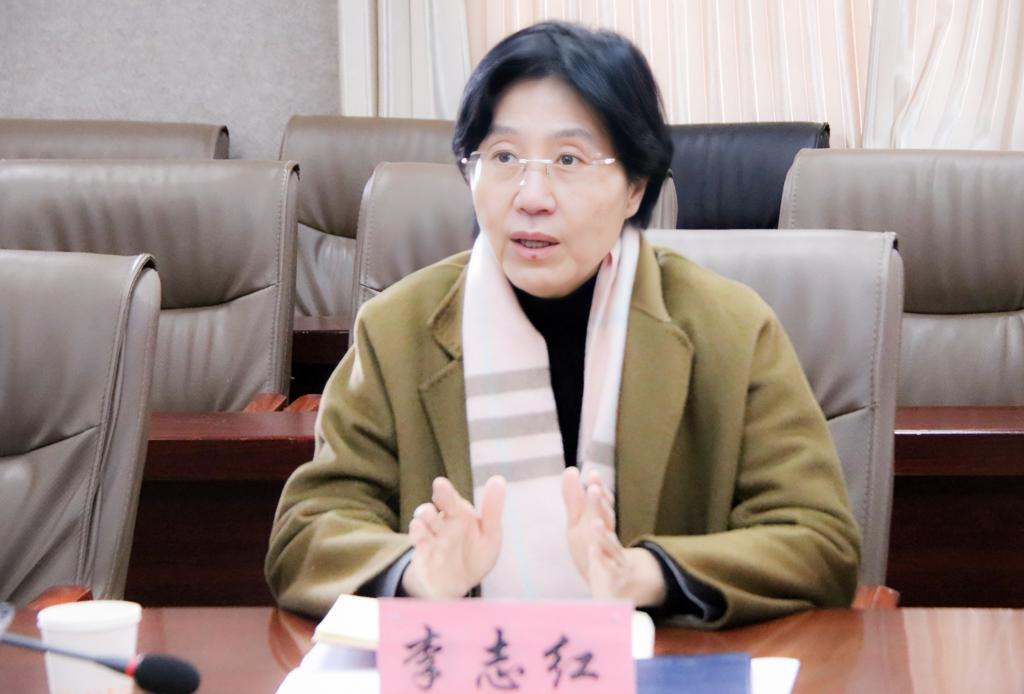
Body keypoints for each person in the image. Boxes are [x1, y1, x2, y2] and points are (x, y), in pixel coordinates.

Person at [266, 21, 860, 628]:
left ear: (635, 187)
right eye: (503, 157)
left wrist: (645, 574)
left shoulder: (729, 328)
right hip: (471, 665)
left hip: (659, 663)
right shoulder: (398, 329)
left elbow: (819, 541)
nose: (532, 196)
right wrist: (421, 573)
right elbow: (306, 534)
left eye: (569, 159)